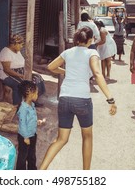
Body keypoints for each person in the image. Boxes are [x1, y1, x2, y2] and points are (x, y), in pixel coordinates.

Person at [39, 27, 117, 170]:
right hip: (82, 100)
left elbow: (51, 67)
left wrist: (66, 71)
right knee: (87, 136)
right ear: (90, 39)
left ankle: (41, 170)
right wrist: (110, 99)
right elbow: (98, 74)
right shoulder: (92, 53)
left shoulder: (68, 52)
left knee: (61, 139)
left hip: (65, 99)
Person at [0, 34, 45, 106]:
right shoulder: (6, 52)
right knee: (19, 85)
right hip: (8, 75)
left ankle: (34, 100)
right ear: (14, 44)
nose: (21, 46)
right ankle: (17, 106)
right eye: (20, 44)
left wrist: (27, 73)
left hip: (21, 72)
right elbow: (7, 70)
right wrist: (21, 75)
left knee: (37, 78)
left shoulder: (17, 51)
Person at [16, 80, 46, 170]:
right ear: (30, 94)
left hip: (32, 135)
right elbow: (23, 124)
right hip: (24, 137)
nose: (37, 95)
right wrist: (26, 137)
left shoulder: (32, 105)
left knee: (32, 155)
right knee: (23, 156)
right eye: (36, 93)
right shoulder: (23, 109)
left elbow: (30, 120)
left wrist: (38, 122)